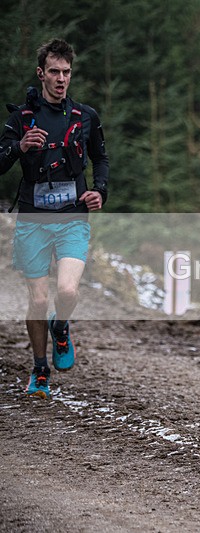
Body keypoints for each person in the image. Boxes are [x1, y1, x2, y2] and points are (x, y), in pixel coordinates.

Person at [0, 38, 109, 399]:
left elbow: (101, 159)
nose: (61, 79)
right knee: (36, 300)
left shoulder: (86, 117)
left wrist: (100, 190)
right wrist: (20, 147)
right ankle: (39, 368)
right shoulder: (22, 120)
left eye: (66, 72)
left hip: (73, 217)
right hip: (33, 219)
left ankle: (60, 326)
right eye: (54, 72)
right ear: (41, 74)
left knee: (66, 290)